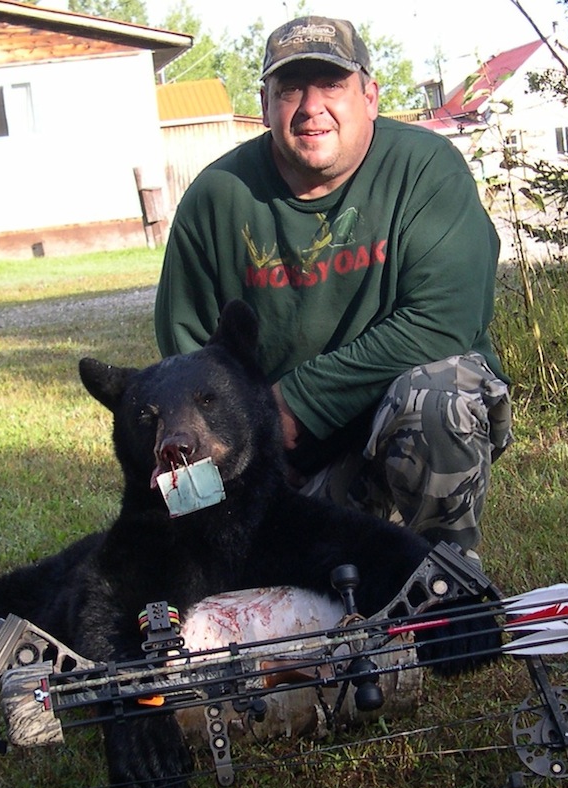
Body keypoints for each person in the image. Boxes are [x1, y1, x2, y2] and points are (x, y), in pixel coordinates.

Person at [154, 15, 513, 561]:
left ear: (370, 96)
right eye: (291, 88)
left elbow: (446, 320)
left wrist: (295, 402)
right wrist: (203, 492)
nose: (311, 106)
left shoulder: (426, 170)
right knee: (220, 562)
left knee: (443, 392)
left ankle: (445, 571)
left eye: (333, 85)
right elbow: (184, 372)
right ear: (266, 100)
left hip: (399, 423)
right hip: (279, 457)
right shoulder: (214, 199)